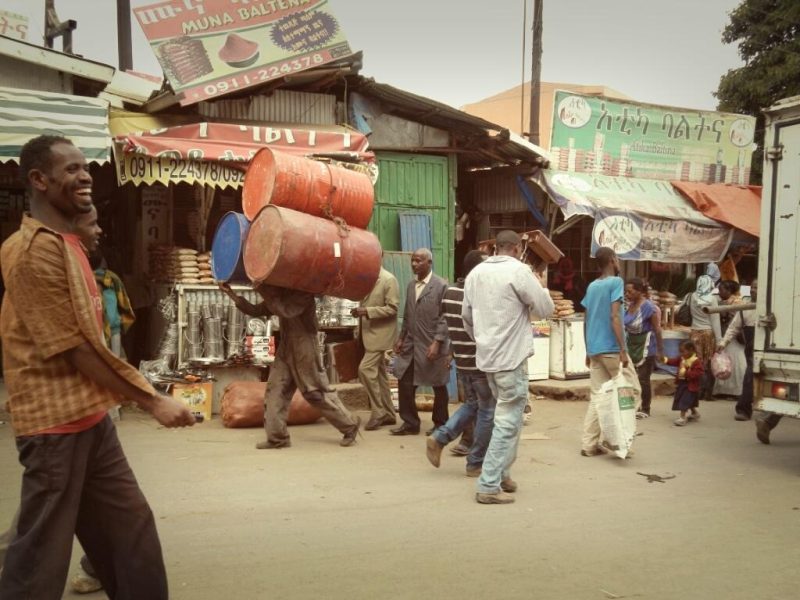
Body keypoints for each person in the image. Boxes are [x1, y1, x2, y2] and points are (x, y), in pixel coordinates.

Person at [0, 135, 195, 599]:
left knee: (130, 533)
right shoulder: (33, 251)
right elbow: (74, 348)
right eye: (70, 170)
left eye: (84, 166)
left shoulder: (67, 244)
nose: (85, 175)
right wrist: (151, 400)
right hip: (53, 427)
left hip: (89, 419)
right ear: (39, 181)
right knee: (39, 558)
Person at [463, 231, 554, 504]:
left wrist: (482, 339)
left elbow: (467, 317)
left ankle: (502, 474)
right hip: (511, 359)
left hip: (488, 358)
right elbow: (544, 308)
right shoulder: (519, 271)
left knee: (508, 419)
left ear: (495, 248)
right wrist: (543, 285)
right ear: (516, 248)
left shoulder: (476, 274)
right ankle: (489, 484)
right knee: (508, 421)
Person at [219, 282, 361, 448]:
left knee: (314, 392)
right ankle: (277, 437)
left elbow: (285, 310)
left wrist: (263, 289)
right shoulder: (281, 294)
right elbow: (256, 310)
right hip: (287, 347)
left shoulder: (303, 293)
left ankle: (349, 426)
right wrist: (231, 294)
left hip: (305, 347)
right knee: (276, 390)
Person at [426, 250, 494, 477]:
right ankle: (475, 462)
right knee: (487, 410)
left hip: (462, 360)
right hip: (480, 361)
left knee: (473, 404)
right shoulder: (476, 293)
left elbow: (450, 325)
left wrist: (451, 352)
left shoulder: (450, 291)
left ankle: (440, 438)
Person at [580, 247, 640, 457]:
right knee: (630, 392)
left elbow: (586, 319)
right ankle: (620, 441)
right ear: (613, 260)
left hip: (595, 349)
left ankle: (589, 444)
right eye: (617, 258)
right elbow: (615, 317)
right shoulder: (616, 283)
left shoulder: (592, 286)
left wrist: (588, 349)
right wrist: (623, 349)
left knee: (598, 396)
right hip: (612, 349)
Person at [390, 248, 451, 436]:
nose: (414, 264)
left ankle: (441, 423)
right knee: (405, 381)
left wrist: (438, 342)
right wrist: (401, 338)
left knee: (438, 384)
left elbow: (445, 316)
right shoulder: (410, 286)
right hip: (411, 343)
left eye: (419, 261)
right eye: (413, 261)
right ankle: (410, 423)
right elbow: (408, 315)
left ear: (429, 263)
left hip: (431, 343)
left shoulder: (441, 286)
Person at [353, 265, 400, 430]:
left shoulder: (388, 279)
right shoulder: (367, 277)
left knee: (364, 370)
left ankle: (378, 411)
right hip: (370, 334)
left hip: (381, 335)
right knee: (380, 376)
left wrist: (367, 311)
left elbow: (393, 308)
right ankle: (388, 413)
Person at [718, 279, 758, 421]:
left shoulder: (772, 308)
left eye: (757, 288)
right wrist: (723, 343)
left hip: (770, 348)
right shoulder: (745, 309)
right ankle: (744, 410)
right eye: (753, 287)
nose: (754, 290)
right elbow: (733, 328)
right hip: (752, 350)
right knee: (749, 377)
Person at [624, 278, 664, 418]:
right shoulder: (629, 306)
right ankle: (630, 405)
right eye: (626, 292)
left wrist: (660, 350)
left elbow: (657, 330)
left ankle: (645, 408)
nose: (627, 294)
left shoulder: (650, 308)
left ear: (640, 291)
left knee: (643, 379)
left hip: (647, 345)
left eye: (630, 291)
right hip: (631, 344)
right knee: (629, 378)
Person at [687, 274, 722, 400]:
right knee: (708, 364)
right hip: (707, 334)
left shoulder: (693, 297)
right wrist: (719, 340)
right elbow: (715, 321)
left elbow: (691, 314)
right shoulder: (712, 300)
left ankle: (696, 391)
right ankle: (708, 393)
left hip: (695, 332)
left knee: (697, 363)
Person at [713, 280, 747, 399]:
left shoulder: (735, 302)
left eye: (721, 290)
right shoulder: (726, 302)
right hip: (727, 337)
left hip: (734, 337)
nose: (719, 292)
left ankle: (737, 391)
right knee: (726, 362)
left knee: (735, 362)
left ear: (729, 291)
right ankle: (727, 390)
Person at [663, 341, 704, 426]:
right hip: (682, 383)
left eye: (683, 351)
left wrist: (686, 373)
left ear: (691, 350)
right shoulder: (682, 358)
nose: (681, 354)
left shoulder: (696, 361)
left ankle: (682, 417)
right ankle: (694, 413)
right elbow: (674, 361)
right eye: (680, 351)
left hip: (691, 386)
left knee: (684, 400)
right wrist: (665, 360)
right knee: (689, 401)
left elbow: (699, 373)